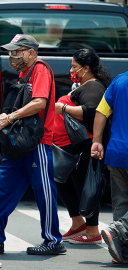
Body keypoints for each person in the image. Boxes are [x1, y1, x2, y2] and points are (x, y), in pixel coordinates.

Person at [0, 34, 65, 255]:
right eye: (11, 51)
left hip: (37, 140)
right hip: (18, 140)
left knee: (43, 189)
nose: (12, 55)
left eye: (17, 51)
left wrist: (9, 118)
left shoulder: (40, 69)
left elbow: (40, 102)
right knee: (4, 187)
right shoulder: (24, 73)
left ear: (30, 52)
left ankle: (53, 241)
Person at [53, 49, 111, 244]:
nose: (71, 70)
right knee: (62, 178)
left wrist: (63, 108)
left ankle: (93, 232)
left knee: (87, 185)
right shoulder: (85, 85)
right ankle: (78, 223)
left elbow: (93, 112)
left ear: (86, 69)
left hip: (87, 146)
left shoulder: (93, 87)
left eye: (74, 67)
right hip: (77, 146)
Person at [92, 70, 128, 263]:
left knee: (121, 200)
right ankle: (117, 231)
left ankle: (122, 252)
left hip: (116, 151)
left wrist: (96, 141)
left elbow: (101, 111)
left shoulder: (119, 80)